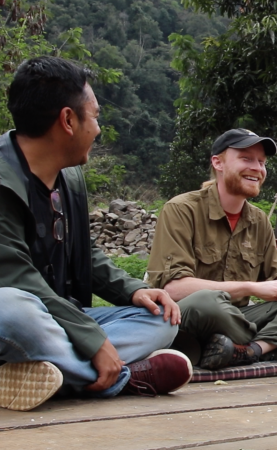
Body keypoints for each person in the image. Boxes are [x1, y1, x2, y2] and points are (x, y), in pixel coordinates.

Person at [0, 56, 192, 412]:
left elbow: (85, 255)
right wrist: (91, 340)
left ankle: (46, 371)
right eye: (96, 115)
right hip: (20, 318)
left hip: (59, 320)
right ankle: (121, 377)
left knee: (160, 318)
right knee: (10, 308)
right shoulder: (3, 179)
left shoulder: (67, 178)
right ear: (68, 120)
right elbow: (16, 276)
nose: (99, 128)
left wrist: (135, 291)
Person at [145, 129, 277, 370]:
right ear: (218, 163)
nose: (257, 168)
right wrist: (250, 287)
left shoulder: (259, 221)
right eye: (246, 158)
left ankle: (250, 350)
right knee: (208, 301)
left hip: (238, 319)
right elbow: (173, 289)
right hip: (191, 315)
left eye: (262, 162)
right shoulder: (181, 210)